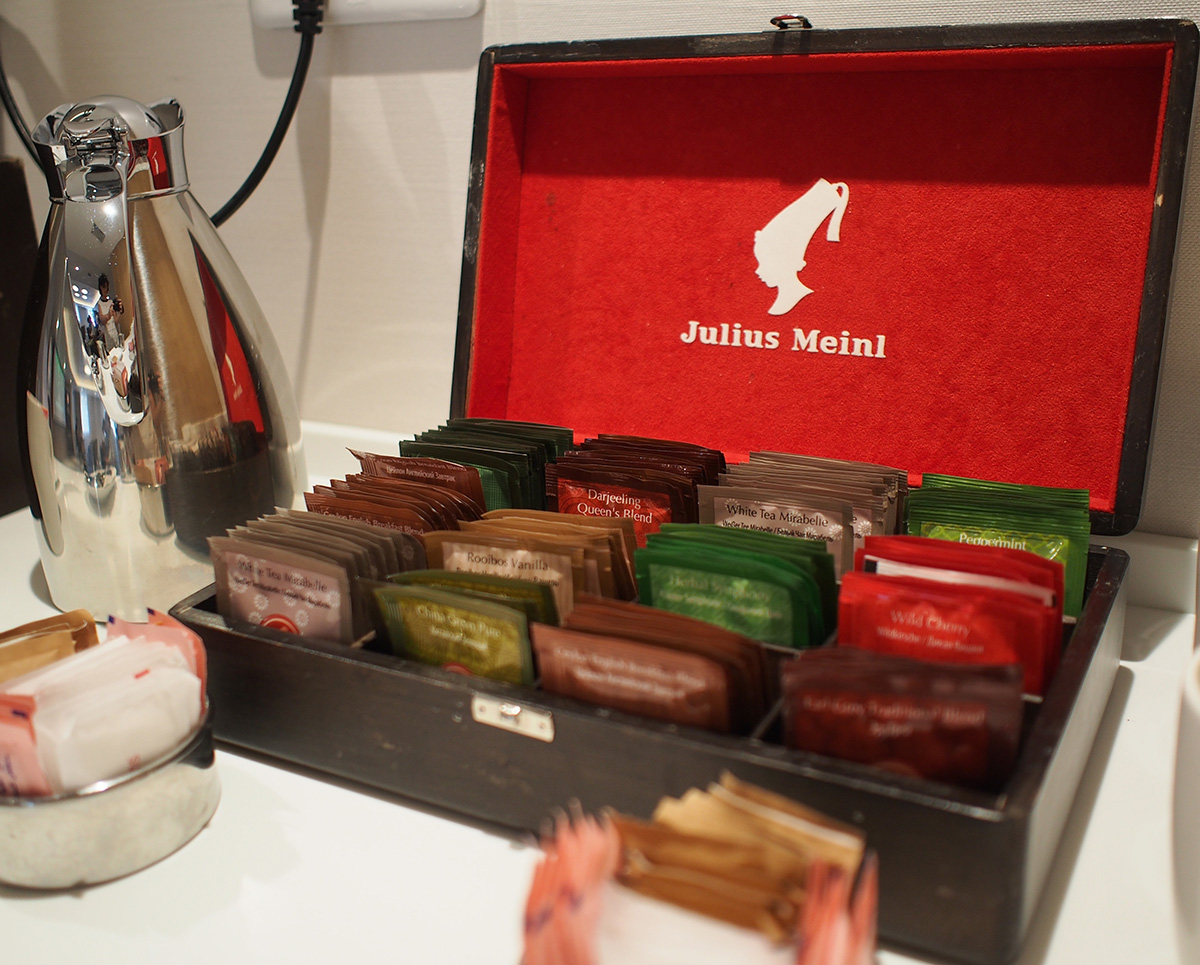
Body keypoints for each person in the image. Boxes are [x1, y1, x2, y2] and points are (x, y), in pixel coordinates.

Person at [94, 274, 123, 351]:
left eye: (107, 287)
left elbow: (115, 321)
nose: (106, 289)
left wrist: (120, 312)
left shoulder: (110, 302)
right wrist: (108, 315)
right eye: (104, 287)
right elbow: (102, 320)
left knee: (119, 350)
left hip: (115, 333)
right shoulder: (99, 303)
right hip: (108, 336)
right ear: (100, 287)